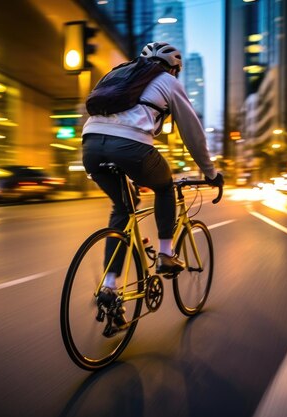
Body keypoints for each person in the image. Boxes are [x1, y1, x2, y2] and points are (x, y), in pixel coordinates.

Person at [81, 41, 224, 304]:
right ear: (174, 69)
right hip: (130, 146)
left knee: (124, 208)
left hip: (90, 146)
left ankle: (109, 287)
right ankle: (166, 255)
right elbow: (193, 134)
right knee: (165, 186)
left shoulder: (117, 73)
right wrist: (211, 173)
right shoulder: (168, 82)